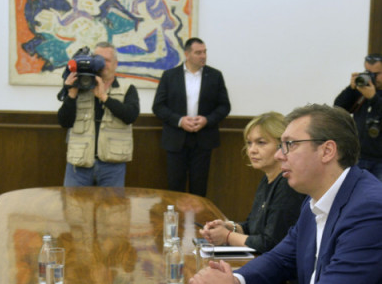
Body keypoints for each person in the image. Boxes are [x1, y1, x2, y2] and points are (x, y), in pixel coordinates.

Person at [188, 104, 382, 284]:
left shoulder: (370, 209)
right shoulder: (315, 199)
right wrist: (235, 280)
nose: (280, 155)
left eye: (290, 144)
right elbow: (281, 259)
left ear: (327, 151)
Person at [200, 112, 305, 253]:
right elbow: (252, 227)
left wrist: (227, 236)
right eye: (249, 143)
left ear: (282, 145)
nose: (252, 150)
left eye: (261, 143)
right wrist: (230, 227)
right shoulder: (267, 178)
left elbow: (270, 243)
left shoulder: (287, 184)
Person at [152, 37, 230, 196]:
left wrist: (207, 120)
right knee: (174, 188)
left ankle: (198, 214)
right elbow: (158, 107)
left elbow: (224, 106)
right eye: (198, 53)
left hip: (203, 139)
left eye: (205, 52)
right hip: (175, 139)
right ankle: (173, 214)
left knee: (199, 188)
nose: (203, 56)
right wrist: (179, 121)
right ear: (187, 54)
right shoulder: (169, 76)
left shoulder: (215, 76)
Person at [58, 42, 140, 186]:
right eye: (97, 59)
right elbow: (64, 122)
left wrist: (104, 97)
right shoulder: (79, 86)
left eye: (106, 60)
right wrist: (71, 95)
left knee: (112, 202)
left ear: (115, 64)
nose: (101, 64)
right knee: (72, 201)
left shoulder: (127, 88)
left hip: (112, 166)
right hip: (79, 164)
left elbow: (131, 116)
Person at [334, 53, 382, 181]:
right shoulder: (362, 90)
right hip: (358, 156)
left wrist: (374, 98)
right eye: (368, 72)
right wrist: (351, 88)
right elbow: (338, 108)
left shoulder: (371, 94)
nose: (372, 77)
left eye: (376, 74)